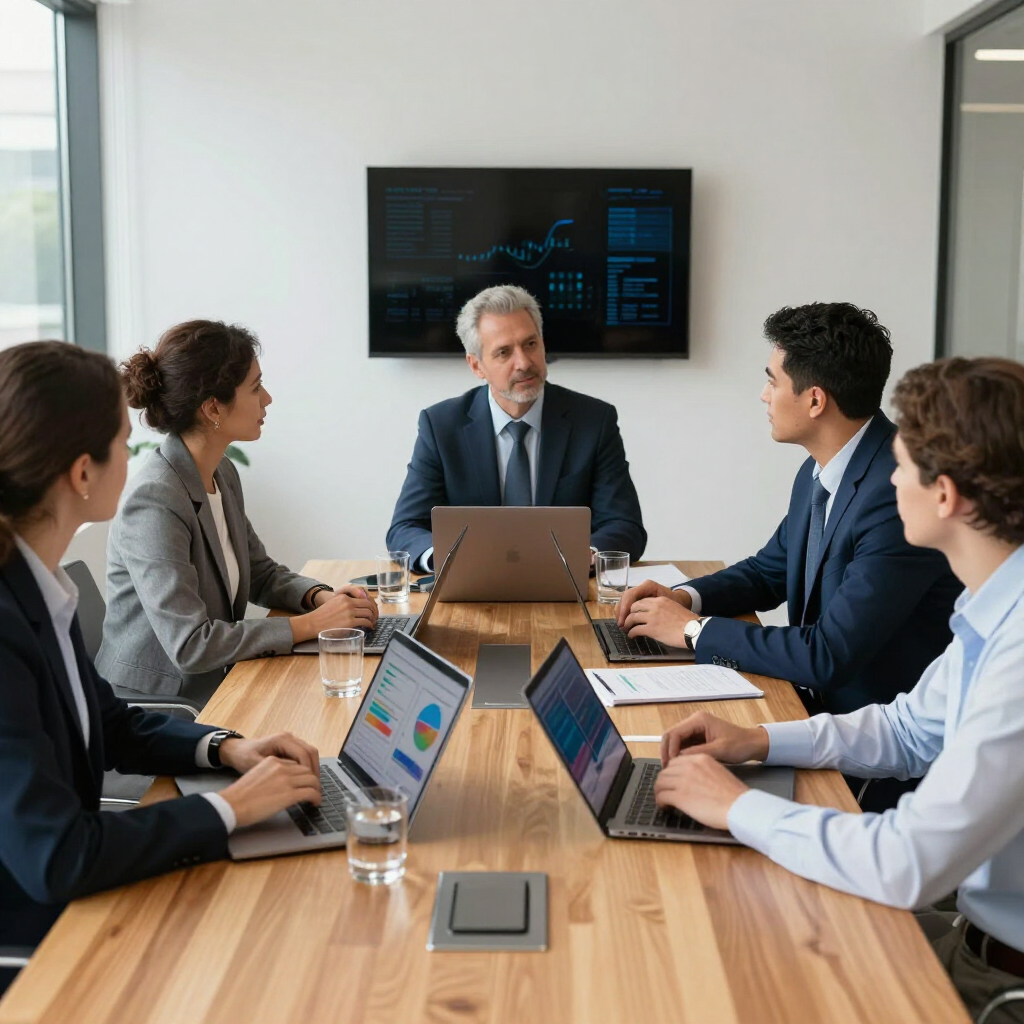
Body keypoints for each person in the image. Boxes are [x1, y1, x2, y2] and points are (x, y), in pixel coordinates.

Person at [653, 356, 1024, 1022]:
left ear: (945, 497)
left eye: (902, 464)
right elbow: (908, 729)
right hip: (975, 936)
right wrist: (758, 739)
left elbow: (909, 861)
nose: (888, 476)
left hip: (998, 983)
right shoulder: (994, 604)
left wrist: (737, 808)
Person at [0, 341, 323, 997]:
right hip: (50, 944)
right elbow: (60, 857)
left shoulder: (34, 588)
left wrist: (227, 748)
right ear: (83, 474)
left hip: (90, 896)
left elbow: (110, 721)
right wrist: (230, 812)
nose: (137, 455)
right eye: (124, 440)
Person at [618, 302, 960, 717]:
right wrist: (685, 597)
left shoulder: (897, 495)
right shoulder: (821, 469)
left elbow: (828, 655)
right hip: (819, 713)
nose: (764, 395)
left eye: (772, 382)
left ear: (815, 400)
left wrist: (690, 630)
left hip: (875, 744)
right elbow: (769, 571)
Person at [96, 320, 378, 706]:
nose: (268, 399)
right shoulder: (154, 501)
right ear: (213, 407)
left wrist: (319, 597)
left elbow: (259, 571)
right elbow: (191, 646)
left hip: (221, 680)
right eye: (255, 387)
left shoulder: (220, 471)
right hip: (159, 706)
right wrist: (311, 626)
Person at [386, 284, 647, 570]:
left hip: (566, 587)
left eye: (531, 344)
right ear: (477, 366)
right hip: (473, 588)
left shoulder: (594, 421)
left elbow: (625, 525)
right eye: (503, 352)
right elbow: (405, 528)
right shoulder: (441, 426)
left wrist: (587, 553)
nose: (523, 362)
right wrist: (446, 560)